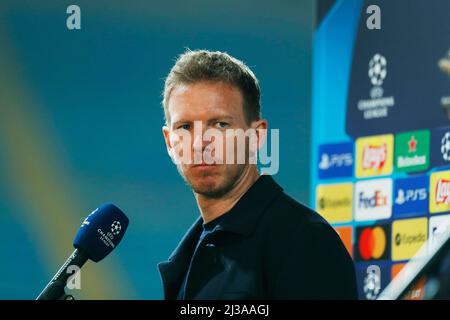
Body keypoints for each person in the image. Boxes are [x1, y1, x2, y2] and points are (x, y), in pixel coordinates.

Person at [158, 49, 357, 299]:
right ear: (169, 142)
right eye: (185, 127)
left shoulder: (304, 240)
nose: (200, 143)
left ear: (257, 136)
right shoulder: (187, 258)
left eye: (220, 124)